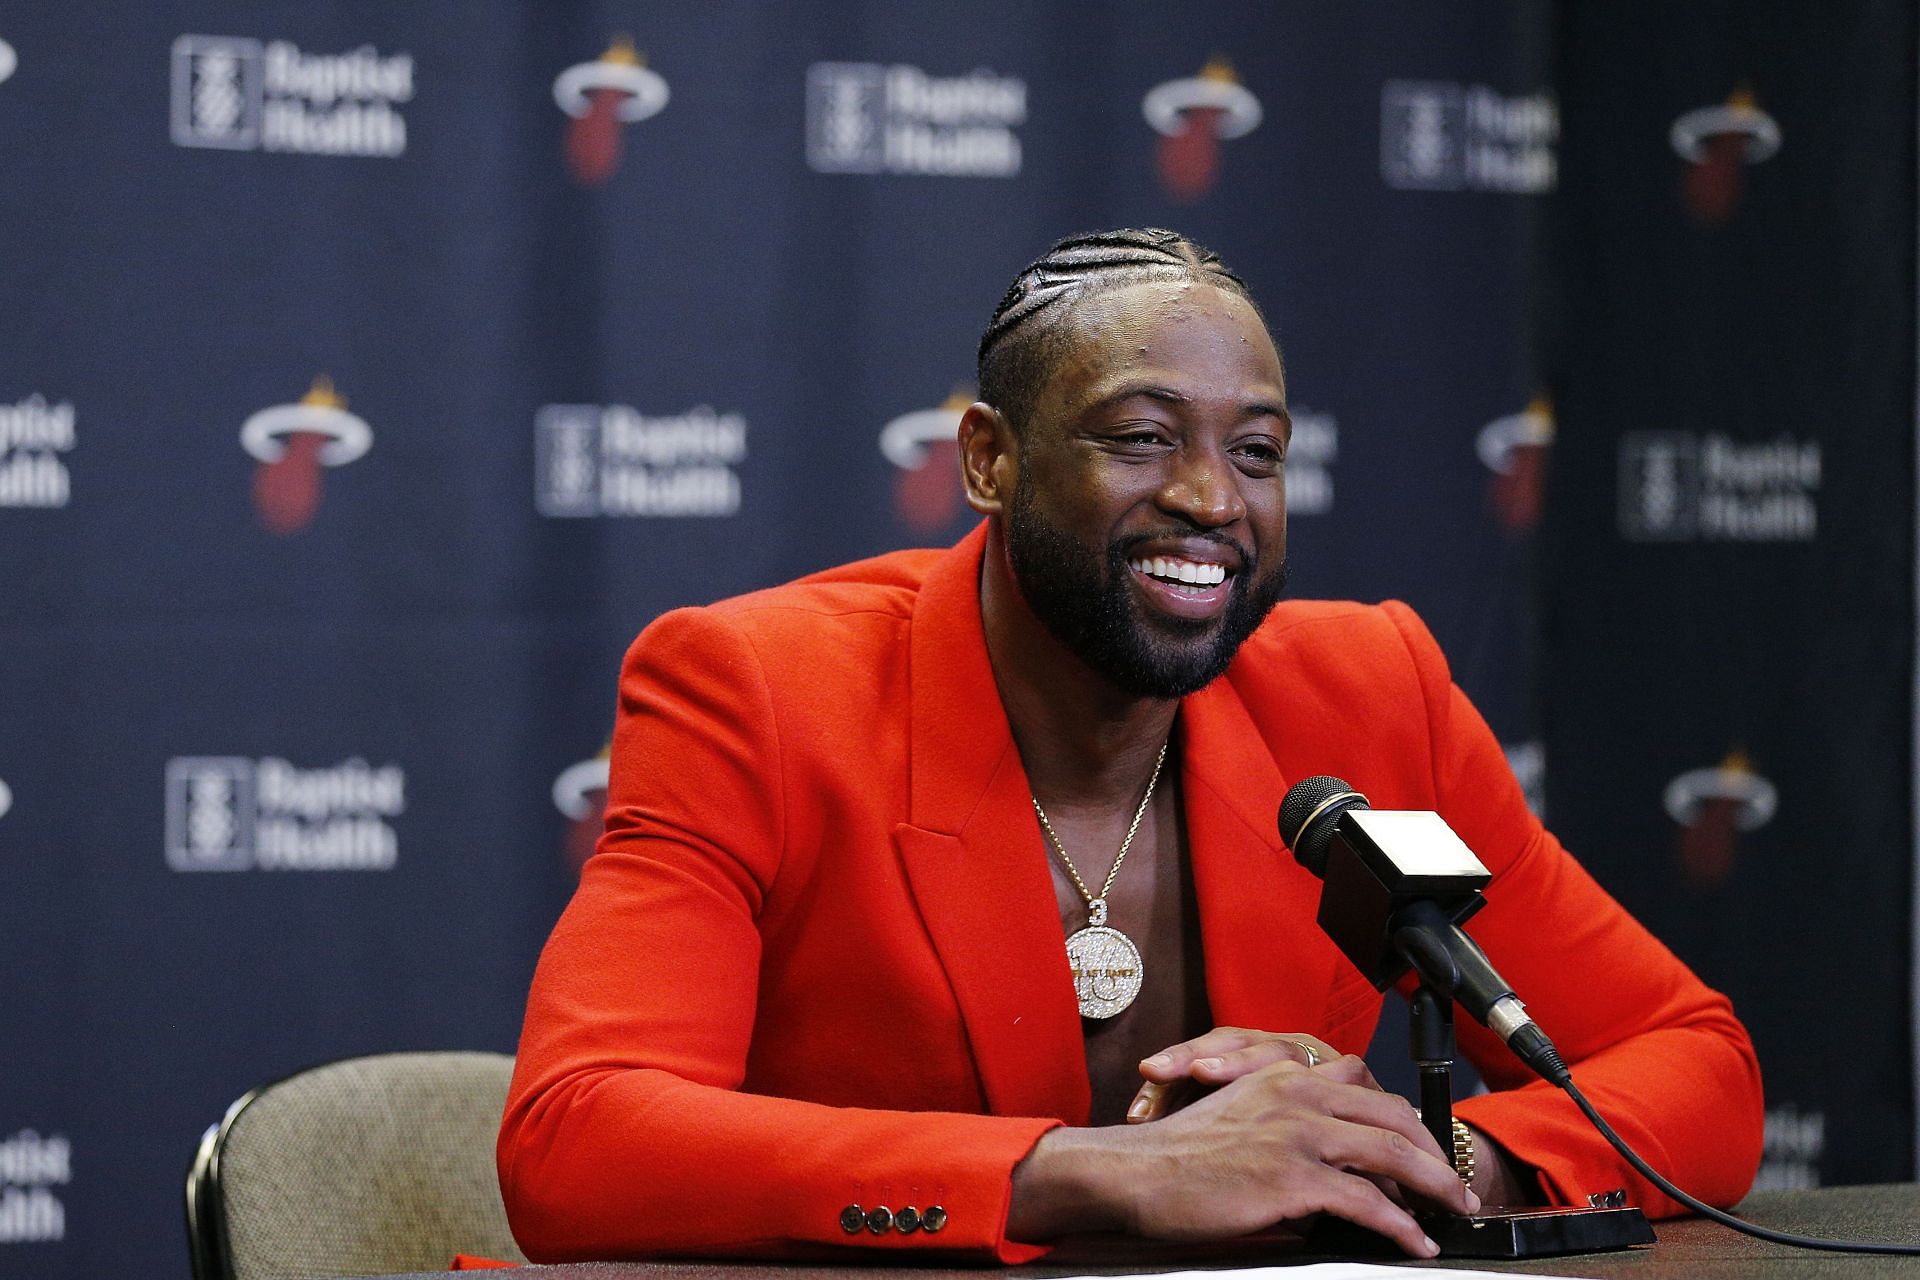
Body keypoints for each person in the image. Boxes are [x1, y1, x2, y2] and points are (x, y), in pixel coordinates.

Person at [498, 229, 1762, 1264]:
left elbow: (1696, 1065)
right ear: (992, 459)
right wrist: (1092, 1172)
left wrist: (1428, 1155)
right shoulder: (758, 688)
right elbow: (577, 1136)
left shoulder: (1372, 688)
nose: (1212, 498)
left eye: (1255, 451)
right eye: (1143, 435)